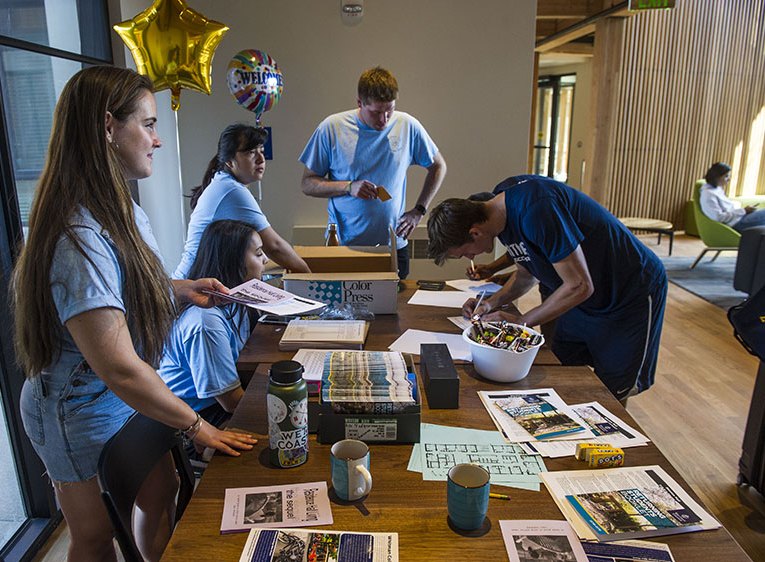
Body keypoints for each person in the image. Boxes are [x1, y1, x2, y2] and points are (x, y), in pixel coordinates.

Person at [12, 66, 256, 562]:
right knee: (96, 535)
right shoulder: (76, 236)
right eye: (147, 124)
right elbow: (118, 364)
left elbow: (125, 291)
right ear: (107, 127)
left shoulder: (119, 206)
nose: (157, 140)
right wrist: (196, 426)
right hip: (79, 407)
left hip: (123, 392)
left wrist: (181, 290)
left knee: (159, 490)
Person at [426, 175, 667, 401]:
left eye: (465, 252)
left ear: (474, 232)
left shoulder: (536, 209)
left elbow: (580, 285)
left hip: (627, 292)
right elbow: (527, 272)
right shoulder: (501, 215)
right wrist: (490, 302)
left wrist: (521, 322)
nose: (471, 256)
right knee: (566, 367)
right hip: (581, 299)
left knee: (612, 390)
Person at [299, 66, 447, 279]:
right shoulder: (331, 128)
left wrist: (419, 211)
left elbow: (438, 166)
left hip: (393, 246)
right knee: (346, 312)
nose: (384, 119)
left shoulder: (407, 125)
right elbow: (307, 184)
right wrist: (348, 187)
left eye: (390, 110)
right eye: (376, 112)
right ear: (359, 103)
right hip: (344, 246)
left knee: (396, 310)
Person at [159, 220, 267, 432]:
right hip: (194, 419)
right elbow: (232, 402)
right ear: (234, 261)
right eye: (258, 254)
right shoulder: (205, 321)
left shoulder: (236, 302)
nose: (266, 260)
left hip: (217, 402)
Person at [173, 124, 310, 279]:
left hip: (197, 280)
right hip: (192, 286)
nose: (261, 159)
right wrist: (310, 278)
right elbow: (274, 247)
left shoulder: (224, 183)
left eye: (262, 151)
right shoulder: (231, 190)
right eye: (251, 152)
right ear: (230, 161)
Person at [700, 162, 765, 231]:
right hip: (736, 224)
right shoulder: (708, 194)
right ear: (717, 176)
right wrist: (743, 211)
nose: (729, 179)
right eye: (726, 176)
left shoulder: (716, 189)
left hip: (738, 218)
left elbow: (728, 210)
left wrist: (745, 211)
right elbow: (718, 217)